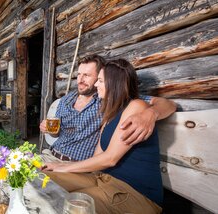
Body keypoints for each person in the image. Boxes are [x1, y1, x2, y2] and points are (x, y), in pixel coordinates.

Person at [43, 59, 163, 213]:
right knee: (42, 179)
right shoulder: (109, 114)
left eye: (99, 80)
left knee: (65, 205)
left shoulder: (136, 106)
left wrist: (64, 168)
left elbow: (110, 159)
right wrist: (60, 167)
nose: (95, 85)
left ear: (114, 84)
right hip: (101, 178)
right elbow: (98, 155)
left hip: (133, 191)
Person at [40, 54, 176, 161]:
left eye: (87, 75)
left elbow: (168, 104)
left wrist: (151, 114)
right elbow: (56, 133)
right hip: (50, 154)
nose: (80, 80)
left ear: (101, 77)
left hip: (76, 164)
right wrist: (49, 130)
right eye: (79, 74)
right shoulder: (65, 100)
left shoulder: (108, 99)